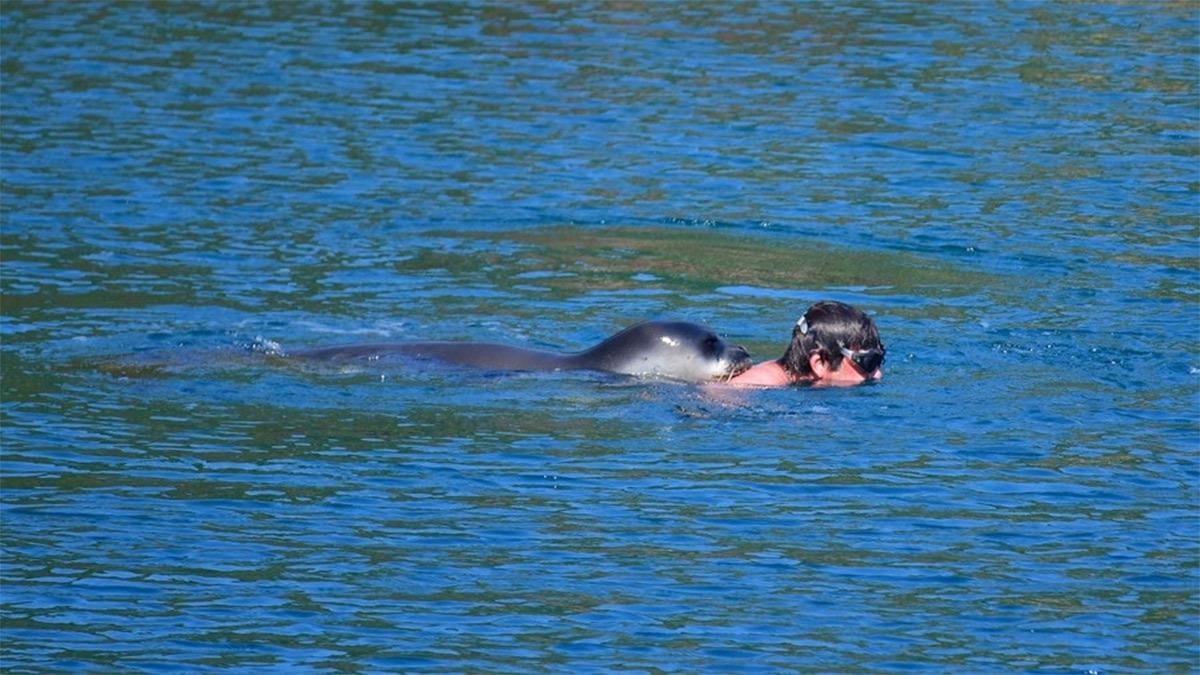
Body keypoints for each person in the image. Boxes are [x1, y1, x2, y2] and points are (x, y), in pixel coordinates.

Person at [725, 300, 885, 387]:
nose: (878, 374)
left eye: (880, 359)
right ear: (820, 363)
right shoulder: (756, 385)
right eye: (868, 362)